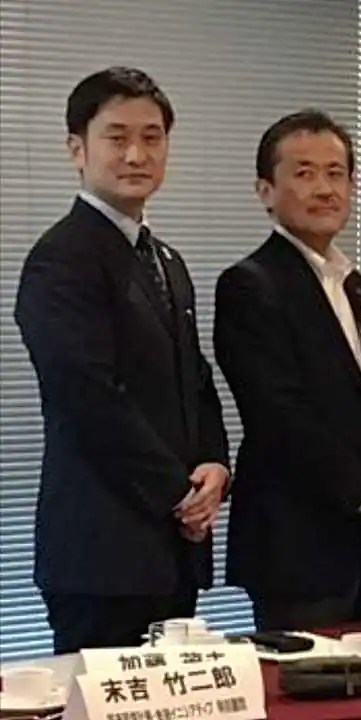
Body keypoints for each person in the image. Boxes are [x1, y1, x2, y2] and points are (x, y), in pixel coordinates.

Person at [13, 67, 229, 653]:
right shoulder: (62, 258)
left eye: (152, 137)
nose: (137, 154)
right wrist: (178, 493)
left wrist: (214, 464)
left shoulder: (166, 260)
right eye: (117, 137)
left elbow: (195, 379)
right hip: (101, 554)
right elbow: (87, 397)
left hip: (172, 549)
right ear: (76, 149)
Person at [214, 110, 361, 630]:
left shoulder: (360, 289)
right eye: (304, 173)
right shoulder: (249, 285)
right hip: (297, 546)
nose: (325, 189)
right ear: (265, 190)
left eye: (336, 173)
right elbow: (279, 416)